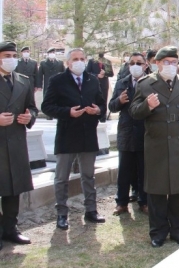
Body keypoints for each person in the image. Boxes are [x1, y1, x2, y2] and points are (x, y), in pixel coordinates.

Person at [130, 46, 179, 247]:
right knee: (157, 191)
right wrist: (147, 106)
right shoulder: (145, 84)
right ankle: (158, 233)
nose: (170, 65)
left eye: (173, 62)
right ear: (157, 63)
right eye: (166, 62)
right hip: (157, 144)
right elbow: (134, 111)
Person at [41, 48, 107, 231]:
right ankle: (62, 213)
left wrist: (98, 110)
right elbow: (47, 106)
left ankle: (91, 210)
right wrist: (67, 112)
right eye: (75, 59)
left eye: (82, 59)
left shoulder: (92, 80)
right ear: (68, 62)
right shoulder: (57, 80)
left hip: (88, 134)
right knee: (62, 177)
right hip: (67, 134)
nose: (79, 62)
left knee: (88, 175)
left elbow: (102, 104)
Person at [0, 41, 39, 250]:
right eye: (6, 56)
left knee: (13, 188)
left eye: (13, 56)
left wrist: (29, 116)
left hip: (15, 142)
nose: (11, 59)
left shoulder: (23, 81)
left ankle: (10, 228)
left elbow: (32, 107)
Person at [109, 52, 149, 216]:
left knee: (144, 171)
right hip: (126, 132)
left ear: (145, 65)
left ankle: (144, 201)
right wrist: (119, 101)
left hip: (145, 132)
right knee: (124, 171)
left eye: (139, 63)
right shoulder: (122, 82)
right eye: (132, 63)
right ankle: (121, 203)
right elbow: (111, 106)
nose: (135, 66)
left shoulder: (151, 83)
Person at [36, 47, 65, 119]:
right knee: (48, 99)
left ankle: (57, 114)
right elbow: (40, 75)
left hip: (58, 84)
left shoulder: (60, 63)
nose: (52, 54)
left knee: (58, 99)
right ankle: (49, 115)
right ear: (48, 54)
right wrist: (39, 85)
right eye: (50, 53)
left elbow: (64, 74)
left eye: (53, 53)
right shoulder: (43, 63)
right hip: (47, 84)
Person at [86, 51, 114, 122]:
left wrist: (105, 73)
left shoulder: (107, 61)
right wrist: (97, 75)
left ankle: (103, 117)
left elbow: (111, 73)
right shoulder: (91, 61)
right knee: (93, 100)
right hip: (94, 84)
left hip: (104, 84)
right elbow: (87, 72)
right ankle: (93, 117)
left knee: (104, 100)